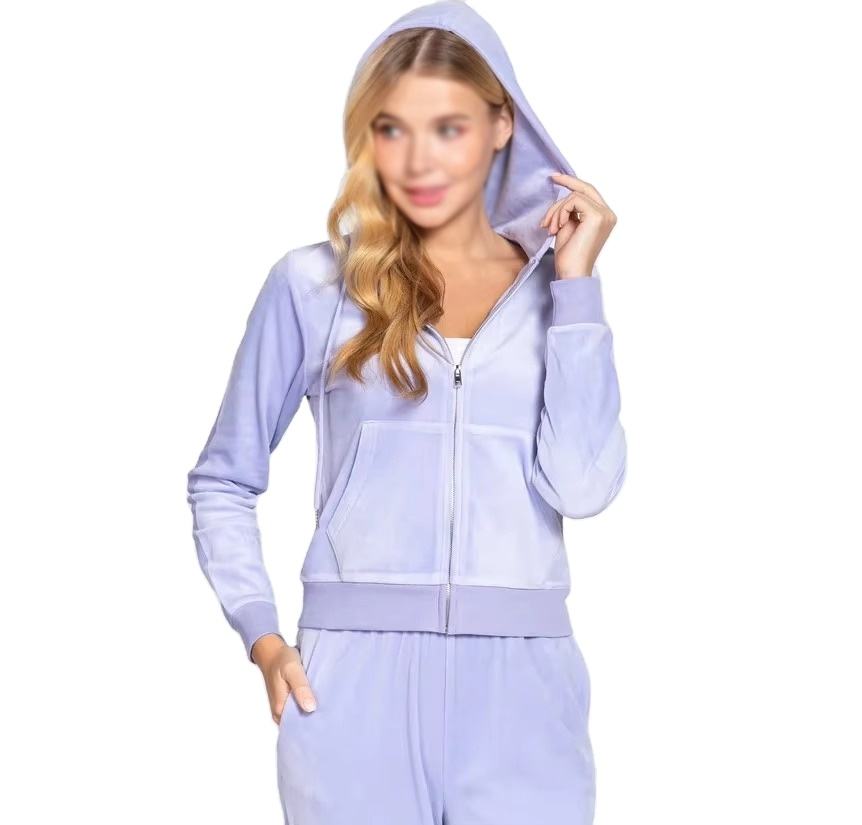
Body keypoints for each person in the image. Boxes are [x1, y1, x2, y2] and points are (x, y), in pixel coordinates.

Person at [186, 1, 627, 823]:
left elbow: (585, 485)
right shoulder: (315, 285)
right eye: (392, 129)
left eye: (448, 128)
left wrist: (577, 289)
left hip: (524, 690)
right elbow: (223, 479)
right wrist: (263, 635)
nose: (418, 160)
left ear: (502, 126)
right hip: (354, 686)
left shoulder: (556, 295)